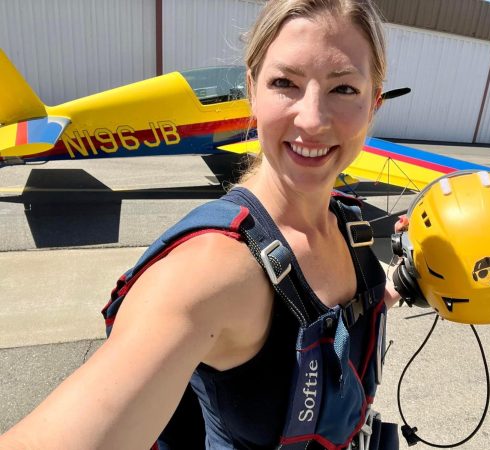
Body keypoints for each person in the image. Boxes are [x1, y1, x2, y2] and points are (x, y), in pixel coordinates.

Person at [0, 0, 404, 448]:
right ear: (252, 89)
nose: (311, 119)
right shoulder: (208, 271)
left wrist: (398, 284)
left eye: (343, 89)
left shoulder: (349, 228)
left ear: (374, 104)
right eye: (284, 83)